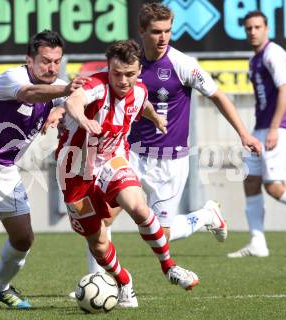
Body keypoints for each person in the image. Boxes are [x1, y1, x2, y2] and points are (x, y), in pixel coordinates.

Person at [76, 2, 262, 281]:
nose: (163, 37)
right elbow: (94, 90)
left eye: (167, 31)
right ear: (141, 31)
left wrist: (244, 134)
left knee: (161, 234)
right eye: (155, 31)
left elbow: (218, 96)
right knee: (102, 217)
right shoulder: (127, 65)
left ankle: (205, 216)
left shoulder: (183, 64)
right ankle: (98, 280)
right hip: (130, 155)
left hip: (171, 162)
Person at [0, 30, 88, 309]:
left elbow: (73, 102)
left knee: (23, 239)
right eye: (45, 60)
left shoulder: (58, 87)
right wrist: (64, 92)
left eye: (57, 61)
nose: (52, 67)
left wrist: (62, 110)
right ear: (29, 60)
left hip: (5, 168)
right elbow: (30, 94)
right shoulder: (13, 78)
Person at [57, 39, 200, 309]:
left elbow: (142, 103)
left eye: (130, 74)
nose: (123, 80)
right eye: (117, 73)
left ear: (138, 71)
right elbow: (74, 101)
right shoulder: (96, 86)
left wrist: (156, 118)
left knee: (139, 208)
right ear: (108, 69)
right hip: (75, 171)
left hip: (113, 159)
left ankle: (169, 267)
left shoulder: (140, 90)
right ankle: (124, 282)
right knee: (98, 245)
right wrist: (83, 119)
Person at [227, 11, 286, 258]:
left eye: (257, 27)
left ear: (267, 28)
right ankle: (257, 243)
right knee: (251, 180)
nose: (252, 31)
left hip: (278, 128)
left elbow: (285, 90)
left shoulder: (274, 53)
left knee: (274, 187)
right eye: (248, 28)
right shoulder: (255, 59)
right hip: (260, 129)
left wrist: (273, 128)